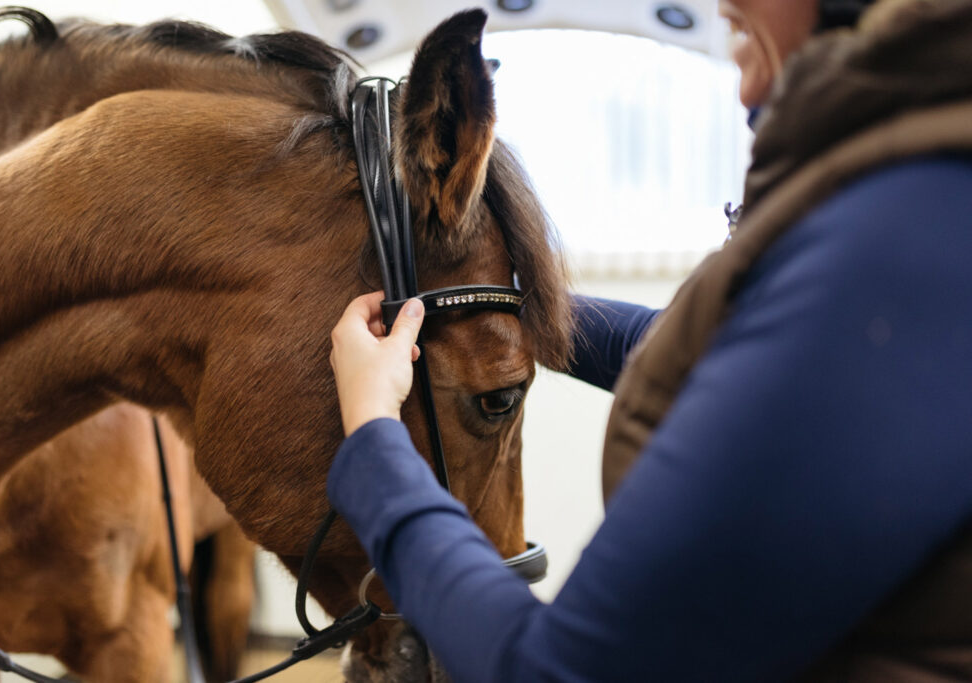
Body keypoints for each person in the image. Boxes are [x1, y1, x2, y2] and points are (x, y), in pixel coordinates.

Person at [329, 0, 972, 680]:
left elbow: (552, 671)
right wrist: (507, 313)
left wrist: (373, 436)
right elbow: (716, 353)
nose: (724, 3)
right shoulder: (890, 199)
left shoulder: (897, 242)